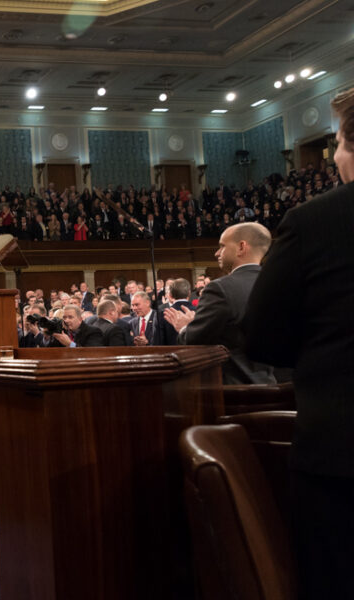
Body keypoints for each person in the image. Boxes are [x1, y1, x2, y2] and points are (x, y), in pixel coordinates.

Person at [243, 87, 354, 600]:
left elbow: (263, 334)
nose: (333, 155)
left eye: (337, 143)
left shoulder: (314, 220)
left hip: (342, 455)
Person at [164, 223, 274, 384]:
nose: (217, 253)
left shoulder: (221, 288)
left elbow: (194, 341)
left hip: (232, 392)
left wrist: (185, 327)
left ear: (241, 247)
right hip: (275, 387)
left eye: (222, 246)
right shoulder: (281, 284)